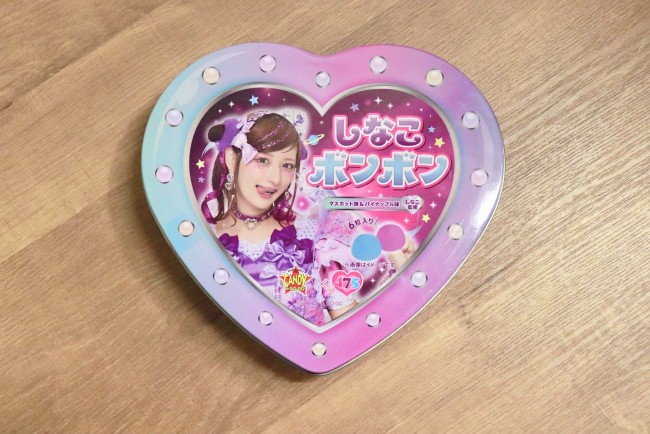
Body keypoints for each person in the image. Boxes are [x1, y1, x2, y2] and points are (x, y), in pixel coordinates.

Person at [201, 111, 356, 326]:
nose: (275, 178)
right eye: (263, 160)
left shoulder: (315, 238)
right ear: (231, 158)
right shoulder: (201, 240)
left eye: (287, 165)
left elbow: (353, 328)